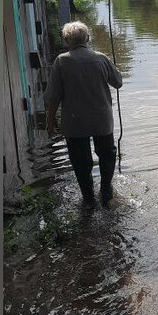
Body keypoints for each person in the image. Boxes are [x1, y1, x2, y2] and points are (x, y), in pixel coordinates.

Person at [45, 21, 123, 206]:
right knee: (107, 155)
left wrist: (50, 121)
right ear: (87, 38)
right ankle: (105, 191)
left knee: (80, 161)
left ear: (66, 41)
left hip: (74, 122)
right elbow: (118, 82)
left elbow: (53, 97)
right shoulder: (101, 58)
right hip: (101, 120)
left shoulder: (61, 61)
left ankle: (88, 198)